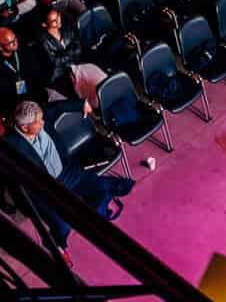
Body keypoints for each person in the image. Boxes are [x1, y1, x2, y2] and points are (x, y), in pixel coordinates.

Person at [9, 100, 134, 242]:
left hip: (67, 172)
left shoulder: (42, 119)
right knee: (63, 225)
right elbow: (14, 183)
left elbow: (58, 107)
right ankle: (57, 244)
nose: (43, 122)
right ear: (25, 128)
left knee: (101, 188)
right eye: (39, 122)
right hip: (47, 188)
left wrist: (83, 104)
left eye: (42, 118)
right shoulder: (12, 145)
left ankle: (96, 219)